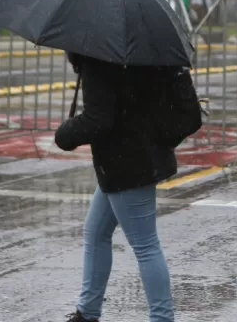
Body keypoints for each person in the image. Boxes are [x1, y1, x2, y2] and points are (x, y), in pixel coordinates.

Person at [56, 53, 201, 322]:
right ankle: (87, 313)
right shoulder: (140, 46)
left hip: (127, 162)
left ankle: (162, 318)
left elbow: (99, 118)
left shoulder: (100, 56)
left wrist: (65, 134)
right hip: (134, 157)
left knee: (146, 246)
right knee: (96, 231)